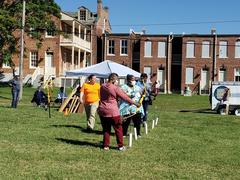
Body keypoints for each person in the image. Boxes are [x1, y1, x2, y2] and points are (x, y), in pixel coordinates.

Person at [98, 73, 140, 151]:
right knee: (118, 129)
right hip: (113, 111)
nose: (118, 82)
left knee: (106, 129)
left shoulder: (102, 86)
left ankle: (106, 146)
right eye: (117, 80)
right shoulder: (115, 88)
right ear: (114, 80)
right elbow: (125, 97)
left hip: (102, 110)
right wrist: (135, 103)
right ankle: (120, 146)